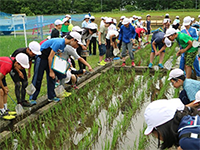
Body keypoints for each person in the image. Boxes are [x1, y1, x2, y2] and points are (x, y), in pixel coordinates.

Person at [31, 32, 82, 103]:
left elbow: (58, 56)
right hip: (42, 58)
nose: (77, 46)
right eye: (77, 44)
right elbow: (50, 57)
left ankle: (51, 97)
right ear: (73, 40)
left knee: (52, 78)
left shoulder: (64, 45)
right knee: (38, 78)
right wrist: (51, 71)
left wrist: (59, 68)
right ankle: (32, 98)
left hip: (49, 59)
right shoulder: (59, 42)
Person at [10, 41, 41, 107]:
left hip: (22, 68)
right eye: (33, 53)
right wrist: (19, 72)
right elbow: (14, 64)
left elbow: (30, 61)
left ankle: (23, 100)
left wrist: (29, 71)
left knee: (25, 83)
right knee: (18, 84)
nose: (34, 55)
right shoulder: (19, 52)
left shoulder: (31, 54)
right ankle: (19, 103)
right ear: (28, 49)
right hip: (13, 67)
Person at [0, 53, 29, 119]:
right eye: (21, 67)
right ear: (17, 63)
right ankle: (2, 112)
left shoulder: (13, 61)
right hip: (0, 73)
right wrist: (3, 88)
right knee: (1, 91)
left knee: (6, 89)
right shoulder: (7, 66)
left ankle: (5, 109)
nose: (22, 68)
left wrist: (19, 72)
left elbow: (15, 66)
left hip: (1, 71)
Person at [180, 16, 200, 80]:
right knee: (183, 60)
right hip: (185, 47)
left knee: (195, 61)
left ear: (190, 23)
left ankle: (198, 73)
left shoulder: (194, 30)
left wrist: (191, 39)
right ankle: (183, 74)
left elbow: (196, 38)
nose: (186, 26)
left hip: (192, 48)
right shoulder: (182, 31)